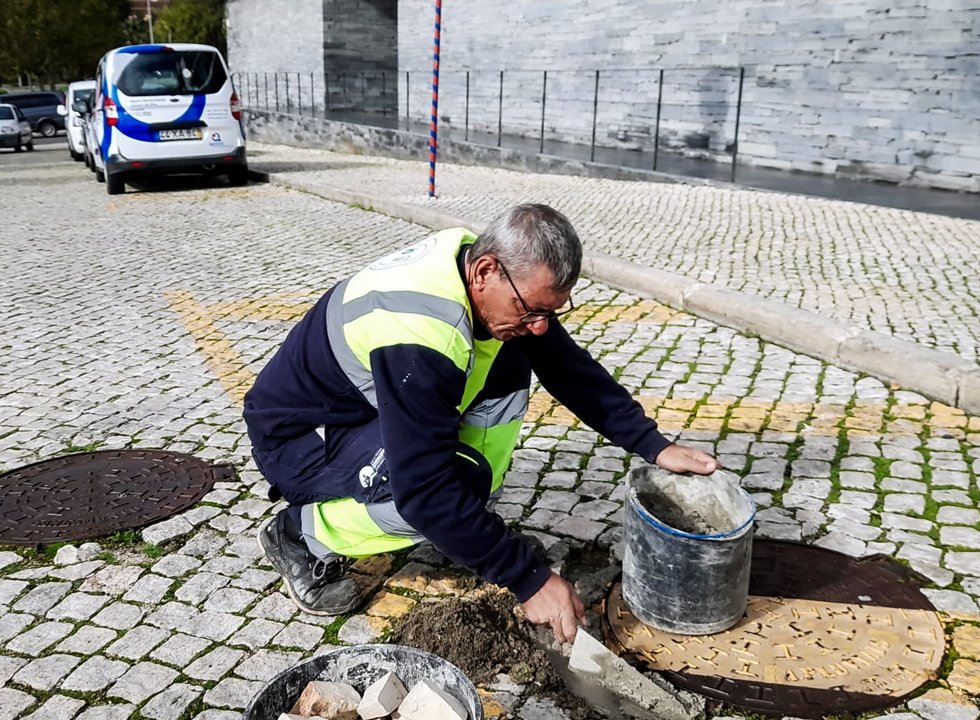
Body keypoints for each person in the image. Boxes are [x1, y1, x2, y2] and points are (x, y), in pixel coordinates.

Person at [243, 203, 719, 643]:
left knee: (511, 358)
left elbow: (567, 367)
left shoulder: (485, 271)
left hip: (367, 409)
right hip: (305, 437)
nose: (539, 324)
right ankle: (303, 532)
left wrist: (652, 444)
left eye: (550, 312)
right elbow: (425, 490)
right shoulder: (420, 330)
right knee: (441, 496)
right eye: (531, 310)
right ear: (487, 270)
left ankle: (471, 525)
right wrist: (528, 580)